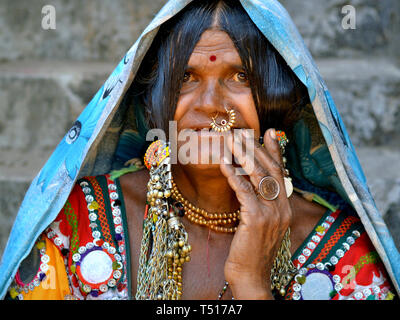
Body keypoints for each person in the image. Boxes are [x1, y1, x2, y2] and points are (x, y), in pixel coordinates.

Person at [1, 0, 399, 300]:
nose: (211, 103)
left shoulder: (345, 258)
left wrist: (252, 282)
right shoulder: (77, 226)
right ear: (152, 103)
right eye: (186, 77)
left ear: (280, 104)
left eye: (240, 76)